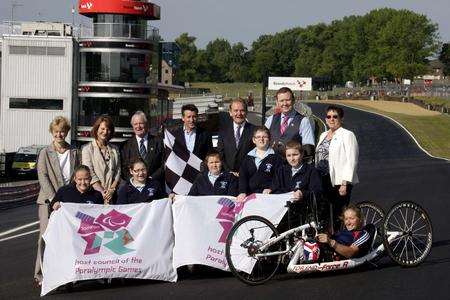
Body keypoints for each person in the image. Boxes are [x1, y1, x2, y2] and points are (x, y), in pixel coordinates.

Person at [34, 116, 80, 286]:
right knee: (45, 236)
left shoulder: (75, 150)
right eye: (56, 132)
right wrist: (54, 198)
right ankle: (40, 273)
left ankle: (68, 272)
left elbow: (78, 174)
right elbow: (43, 176)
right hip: (48, 201)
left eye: (62, 131)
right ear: (52, 133)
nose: (59, 134)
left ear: (66, 132)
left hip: (69, 201)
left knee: (69, 238)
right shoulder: (45, 152)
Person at [315, 105, 359, 230]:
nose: (331, 119)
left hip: (339, 181)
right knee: (324, 214)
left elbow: (352, 160)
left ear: (341, 119)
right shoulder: (323, 135)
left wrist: (345, 183)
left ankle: (340, 242)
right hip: (323, 179)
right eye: (329, 116)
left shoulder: (347, 135)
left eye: (335, 116)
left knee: (338, 214)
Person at [265, 87, 315, 158]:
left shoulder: (304, 121)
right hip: (272, 164)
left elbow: (308, 148)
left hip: (292, 166)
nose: (285, 103)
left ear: (293, 101)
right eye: (281, 101)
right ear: (277, 102)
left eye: (288, 100)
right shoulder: (271, 119)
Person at [82, 116, 121, 204]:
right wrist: (103, 192)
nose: (105, 132)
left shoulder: (115, 149)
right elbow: (89, 172)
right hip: (94, 194)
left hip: (112, 196)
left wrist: (111, 190)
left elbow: (118, 171)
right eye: (102, 129)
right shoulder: (87, 149)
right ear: (96, 129)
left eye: (108, 129)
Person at [237, 127, 283, 202]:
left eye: (264, 137)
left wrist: (271, 188)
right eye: (258, 137)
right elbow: (243, 177)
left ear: (269, 139)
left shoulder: (276, 157)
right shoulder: (247, 158)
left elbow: (279, 177)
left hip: (268, 196)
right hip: (250, 196)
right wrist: (242, 192)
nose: (261, 139)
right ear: (254, 140)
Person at [121, 111, 164, 182]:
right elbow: (123, 168)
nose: (138, 126)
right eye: (135, 124)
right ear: (132, 126)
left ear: (147, 124)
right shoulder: (125, 145)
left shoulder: (159, 142)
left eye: (141, 123)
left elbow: (163, 165)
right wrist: (134, 181)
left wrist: (151, 179)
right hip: (134, 188)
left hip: (155, 185)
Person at [217, 98, 255, 174]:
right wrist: (229, 171)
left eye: (242, 110)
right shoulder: (223, 131)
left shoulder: (254, 130)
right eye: (236, 110)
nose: (239, 113)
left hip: (247, 175)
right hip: (228, 175)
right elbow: (220, 154)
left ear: (246, 112)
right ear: (230, 113)